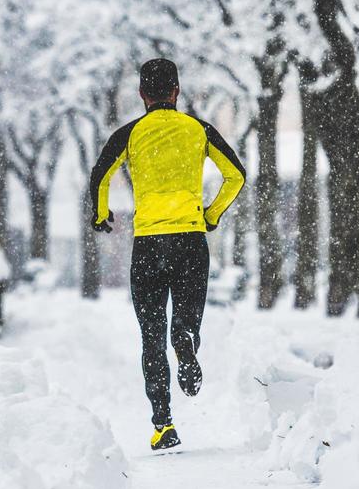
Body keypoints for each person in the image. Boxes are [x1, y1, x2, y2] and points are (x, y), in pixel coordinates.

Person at [89, 58, 246, 451]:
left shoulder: (129, 133)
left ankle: (163, 424)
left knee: (151, 336)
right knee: (186, 317)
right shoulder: (199, 129)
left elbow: (100, 175)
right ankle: (187, 336)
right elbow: (236, 175)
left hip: (148, 244)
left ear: (142, 94)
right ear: (176, 92)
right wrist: (211, 214)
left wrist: (100, 214)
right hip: (191, 240)